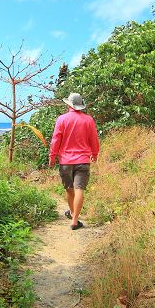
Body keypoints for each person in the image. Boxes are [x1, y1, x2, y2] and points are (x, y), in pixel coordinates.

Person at [49, 92, 99, 230]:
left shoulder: (62, 119)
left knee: (69, 189)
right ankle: (74, 218)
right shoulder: (88, 120)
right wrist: (94, 154)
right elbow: (94, 139)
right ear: (80, 105)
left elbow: (55, 140)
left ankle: (73, 216)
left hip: (65, 161)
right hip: (83, 160)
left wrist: (52, 156)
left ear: (68, 104)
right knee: (79, 189)